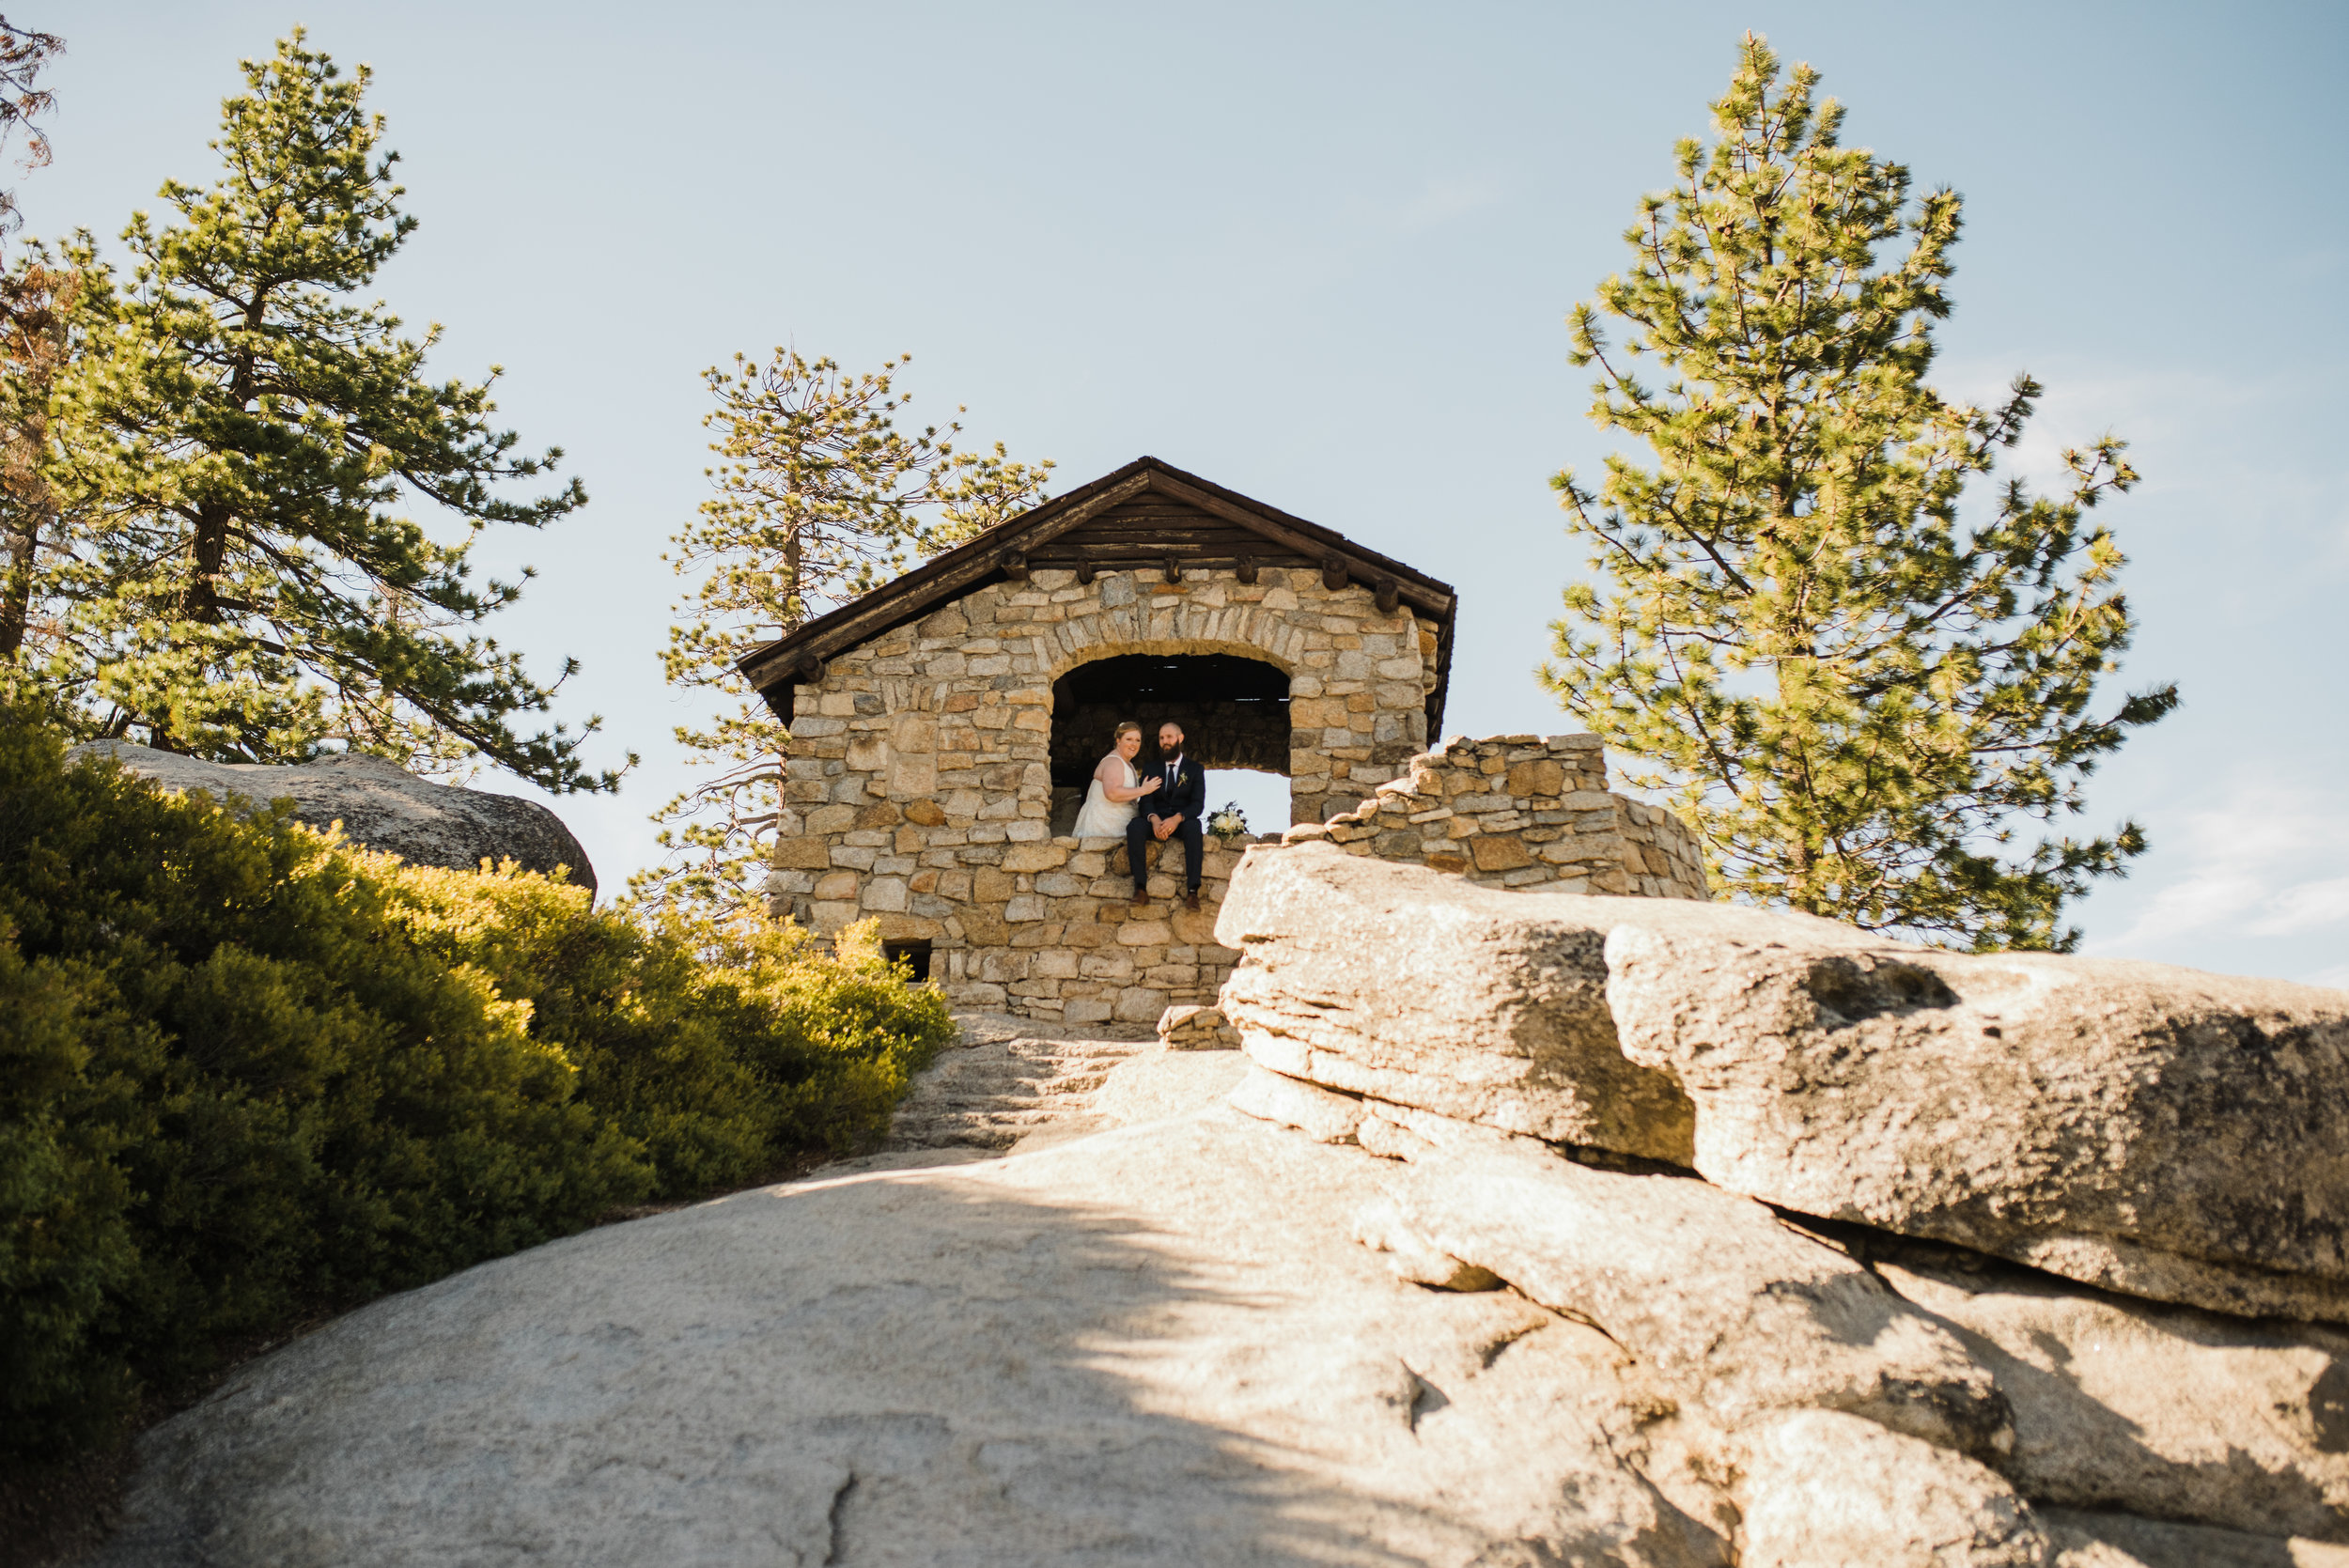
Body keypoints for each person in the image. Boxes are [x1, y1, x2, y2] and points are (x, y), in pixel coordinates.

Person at [1128, 720, 1206, 911]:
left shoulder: (1195, 769)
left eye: (1169, 737)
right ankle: (1140, 888)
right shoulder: (1150, 768)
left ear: (1180, 738)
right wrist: (1153, 819)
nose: (1165, 741)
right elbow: (1146, 800)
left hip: (1181, 820)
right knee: (1134, 826)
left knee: (1195, 827)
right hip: (1156, 818)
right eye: (1161, 738)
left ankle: (1193, 892)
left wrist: (1177, 818)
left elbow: (1197, 804)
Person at [1071, 720, 1159, 840]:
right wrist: (1144, 790)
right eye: (1129, 739)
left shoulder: (1128, 764)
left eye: (1137, 740)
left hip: (1117, 823)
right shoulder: (1114, 762)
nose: (1134, 744)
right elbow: (1112, 793)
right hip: (1104, 826)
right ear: (1118, 740)